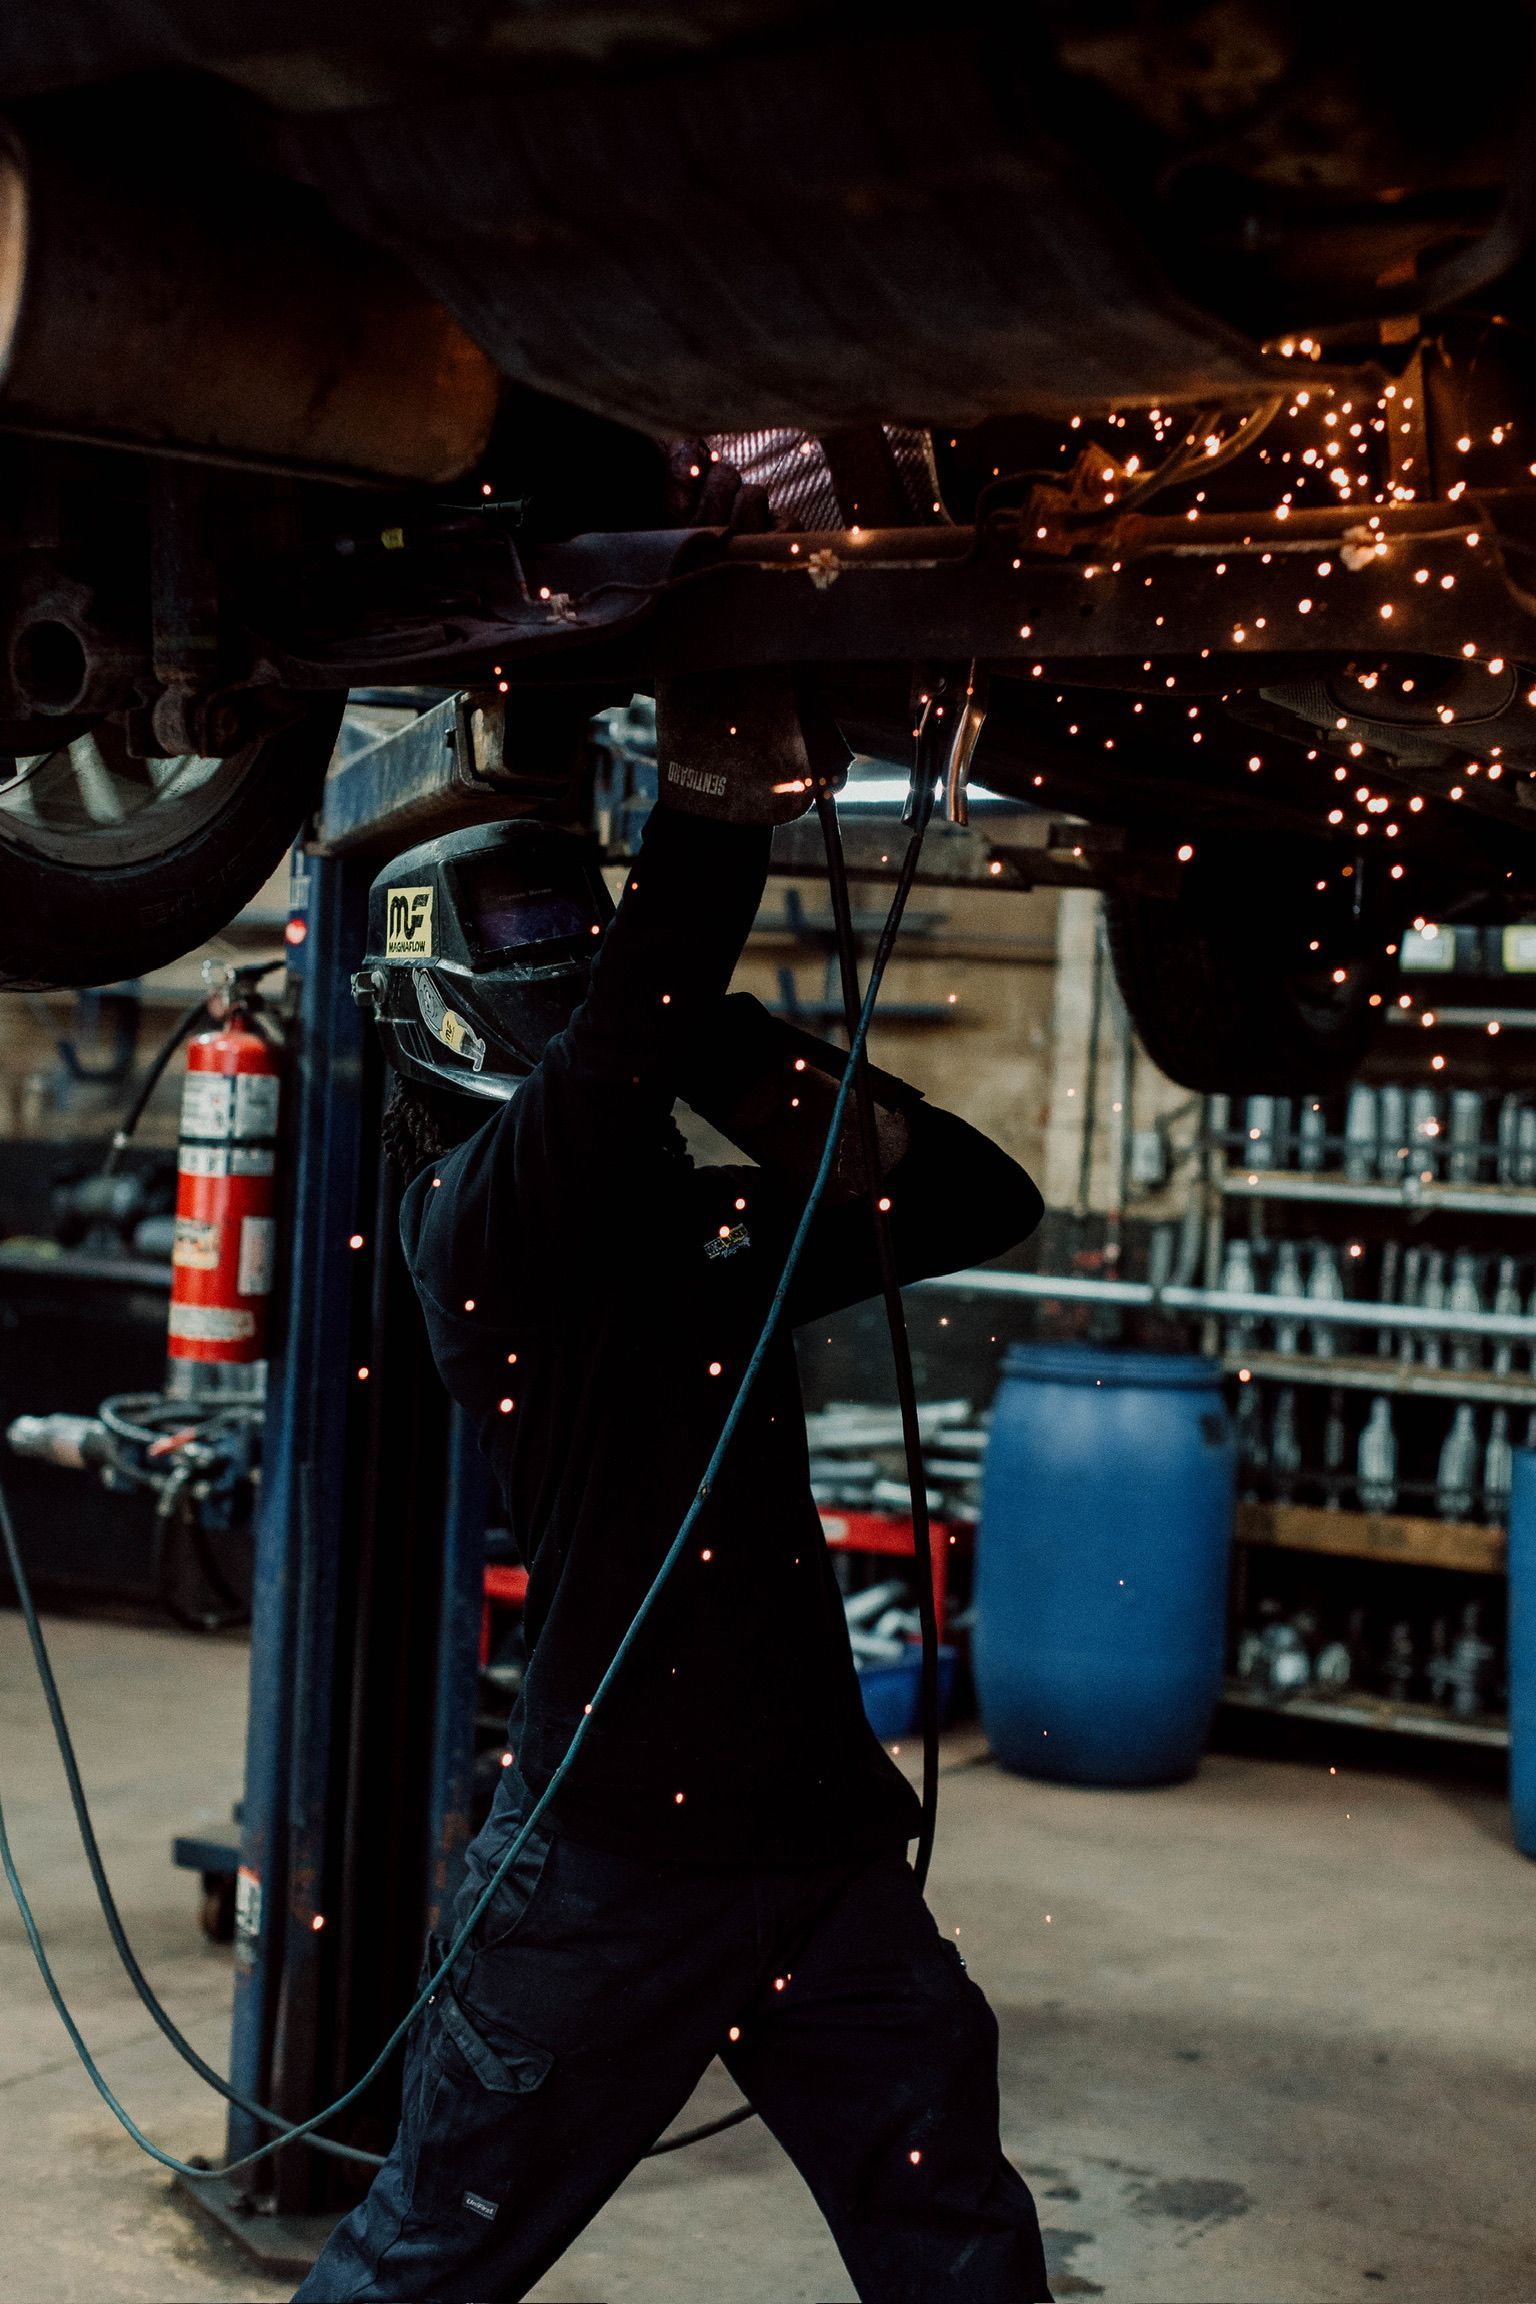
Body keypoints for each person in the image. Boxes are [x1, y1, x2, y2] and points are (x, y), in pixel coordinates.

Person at [296, 791, 1052, 2303]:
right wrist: (722, 803)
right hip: (606, 1872)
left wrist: (724, 1031)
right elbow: (606, 1056)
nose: (573, 951)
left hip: (819, 1858)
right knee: (423, 2267)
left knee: (955, 2238)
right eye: (535, 936)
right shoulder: (477, 1229)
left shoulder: (701, 1221)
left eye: (584, 922)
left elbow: (978, 1196)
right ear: (449, 1001)